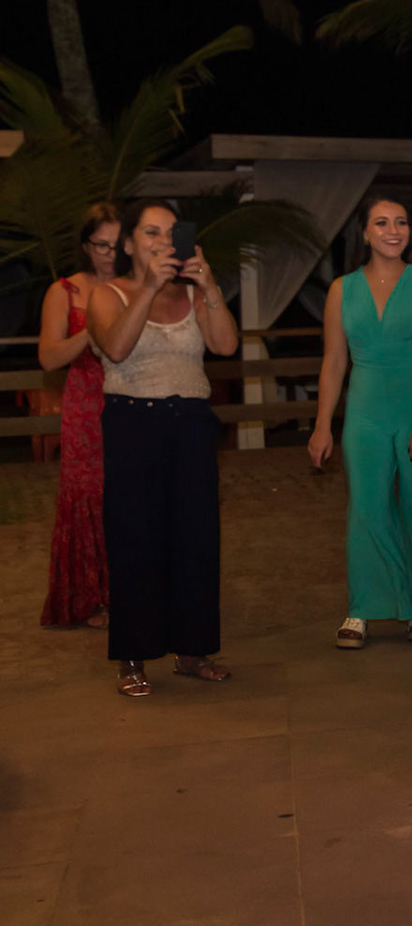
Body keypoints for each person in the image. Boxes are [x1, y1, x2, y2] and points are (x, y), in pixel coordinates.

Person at [308, 195, 412, 648]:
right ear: (364, 233)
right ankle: (364, 608)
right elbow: (334, 363)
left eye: (400, 222)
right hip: (364, 415)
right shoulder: (342, 290)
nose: (392, 230)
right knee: (367, 510)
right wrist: (323, 424)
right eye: (381, 223)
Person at [88, 199, 239, 697]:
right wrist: (149, 288)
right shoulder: (108, 294)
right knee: (136, 541)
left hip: (191, 423)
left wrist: (210, 286)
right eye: (150, 232)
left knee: (195, 540)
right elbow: (116, 348)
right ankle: (132, 656)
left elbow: (225, 345)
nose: (161, 242)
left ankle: (193, 650)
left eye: (171, 233)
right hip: (134, 423)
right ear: (129, 243)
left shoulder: (193, 293)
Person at [38, 203, 119, 629]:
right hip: (85, 402)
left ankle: (129, 588)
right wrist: (92, 330)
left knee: (127, 494)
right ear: (85, 245)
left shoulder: (136, 286)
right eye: (100, 245)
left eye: (115, 244)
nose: (108, 253)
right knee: (88, 494)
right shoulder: (64, 291)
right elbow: (48, 356)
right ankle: (92, 596)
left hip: (130, 397)